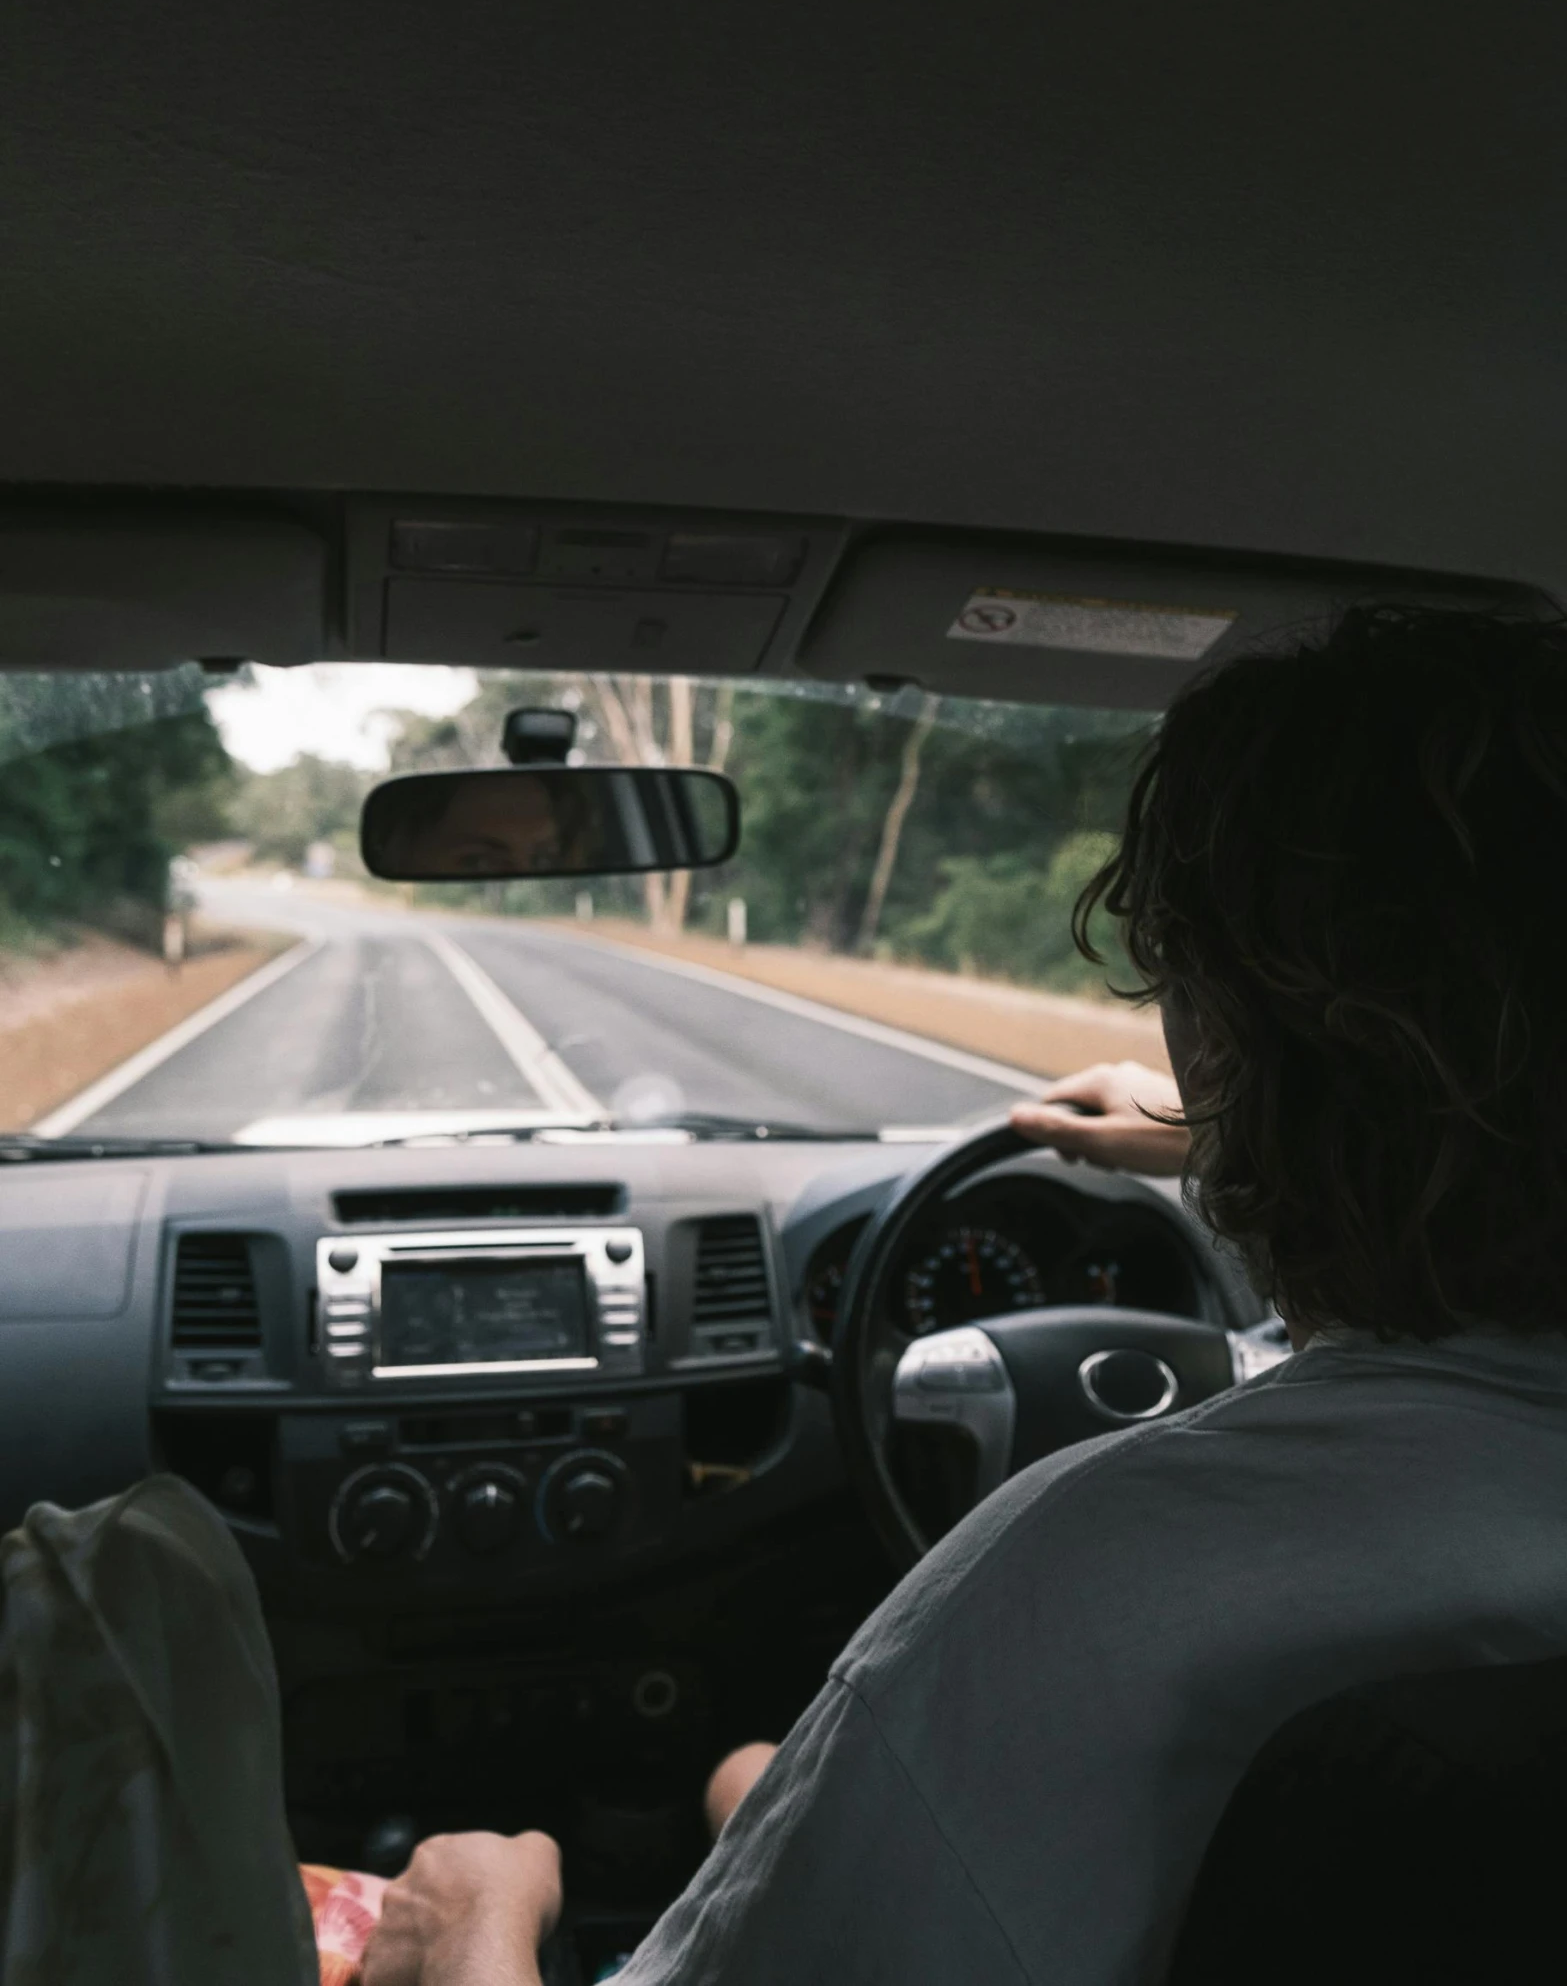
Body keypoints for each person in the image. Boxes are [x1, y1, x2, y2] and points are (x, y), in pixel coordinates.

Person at [362, 605, 1567, 1985]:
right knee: (760, 1776)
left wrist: (477, 1917)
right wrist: (1217, 1124)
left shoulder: (1076, 1593)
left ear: (1221, 1030)